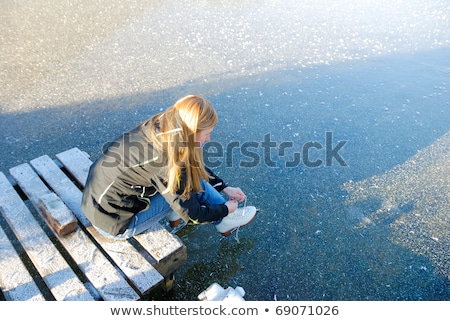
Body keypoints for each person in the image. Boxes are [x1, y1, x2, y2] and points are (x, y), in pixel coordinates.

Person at [81, 95, 257, 239]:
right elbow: (193, 216)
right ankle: (225, 220)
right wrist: (226, 209)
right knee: (191, 186)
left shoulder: (162, 124)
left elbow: (189, 165)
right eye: (207, 134)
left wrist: (223, 186)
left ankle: (182, 213)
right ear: (192, 133)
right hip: (114, 223)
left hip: (95, 203)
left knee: (186, 182)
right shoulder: (166, 159)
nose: (209, 139)